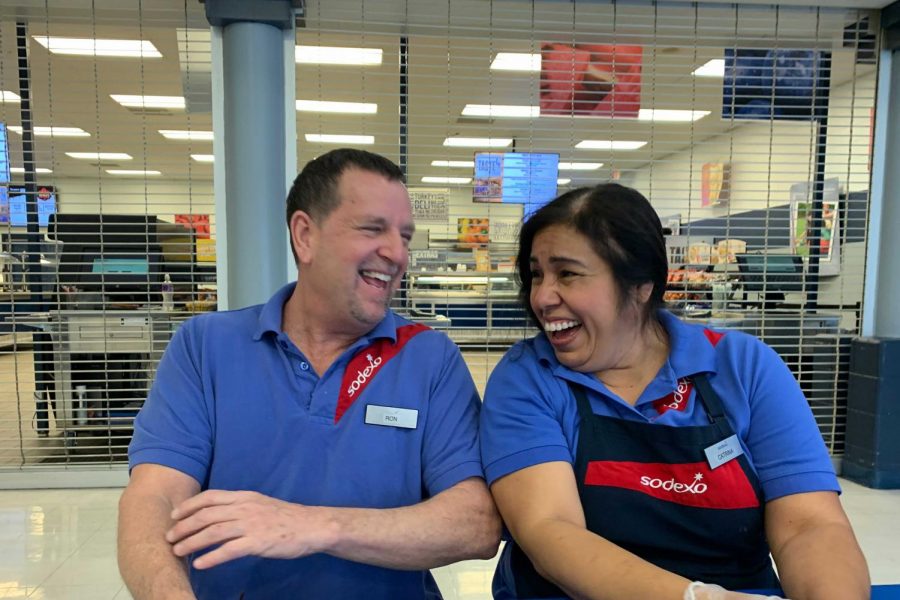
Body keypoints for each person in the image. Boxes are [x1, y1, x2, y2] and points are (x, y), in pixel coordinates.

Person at [118, 148, 501, 599]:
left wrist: (316, 525)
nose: (397, 253)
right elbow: (155, 498)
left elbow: (476, 523)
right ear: (305, 236)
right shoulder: (206, 346)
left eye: (405, 236)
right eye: (373, 228)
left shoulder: (429, 358)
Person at [480, 183, 869, 600]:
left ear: (641, 285)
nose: (541, 296)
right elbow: (551, 532)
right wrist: (695, 597)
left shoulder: (742, 367)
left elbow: (811, 525)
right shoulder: (531, 376)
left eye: (568, 273)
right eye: (537, 274)